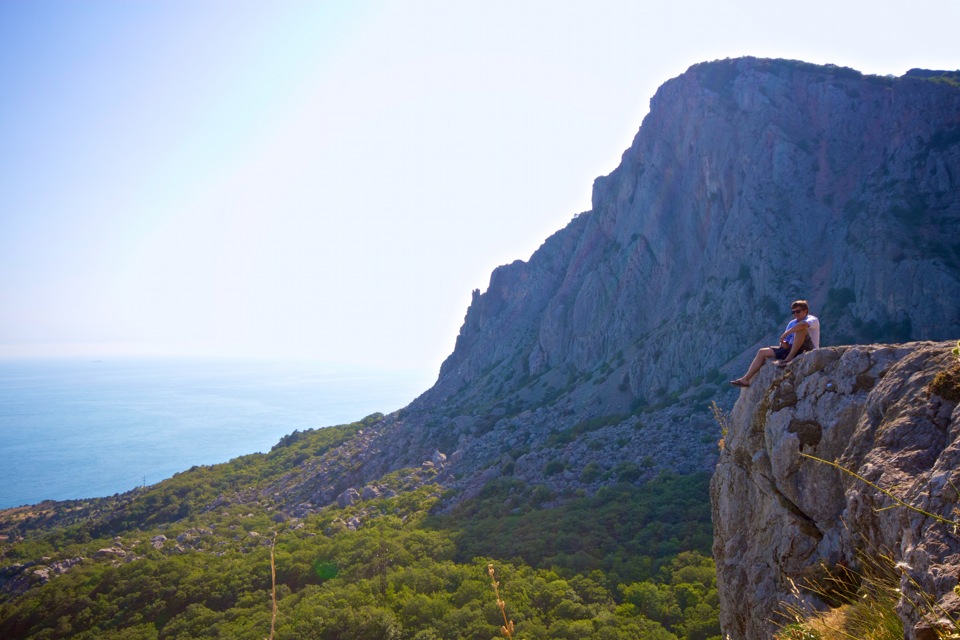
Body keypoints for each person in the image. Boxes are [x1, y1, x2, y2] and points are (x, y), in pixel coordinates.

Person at [730, 300, 820, 388]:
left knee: (800, 330)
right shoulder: (792, 323)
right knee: (762, 352)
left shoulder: (812, 319)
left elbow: (802, 325)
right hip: (792, 348)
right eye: (793, 312)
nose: (795, 314)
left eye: (798, 311)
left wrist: (785, 334)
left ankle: (788, 359)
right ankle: (745, 379)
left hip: (807, 349)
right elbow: (786, 340)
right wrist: (784, 343)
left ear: (806, 310)